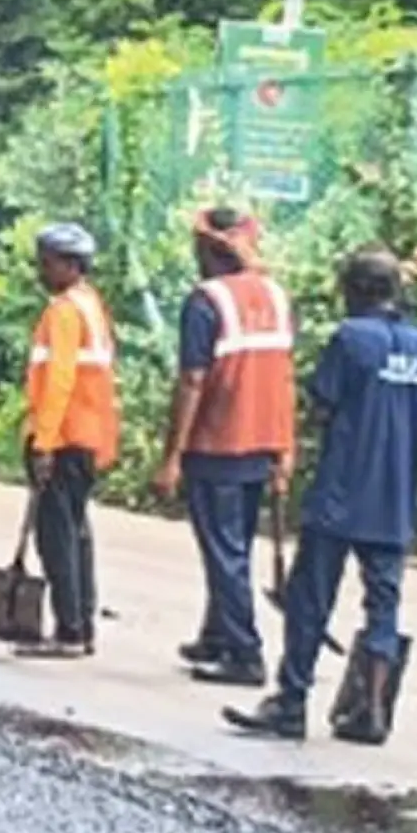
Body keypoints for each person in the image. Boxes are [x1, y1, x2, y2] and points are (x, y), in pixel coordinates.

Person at [224, 246, 417, 744]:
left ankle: (291, 702)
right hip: (394, 503)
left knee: (310, 600)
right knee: (383, 605)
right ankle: (371, 711)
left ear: (355, 291)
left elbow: (322, 407)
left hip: (340, 496)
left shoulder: (350, 340)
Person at [151, 206, 297, 686]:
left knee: (223, 550)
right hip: (262, 441)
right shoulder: (276, 296)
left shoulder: (205, 302)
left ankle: (243, 652)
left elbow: (192, 381)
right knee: (232, 545)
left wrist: (172, 455)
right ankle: (215, 635)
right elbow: (284, 375)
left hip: (217, 443)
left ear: (211, 250)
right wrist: (285, 447)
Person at [16, 223, 121, 658]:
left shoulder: (63, 311)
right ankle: (82, 622)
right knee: (76, 531)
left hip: (64, 436)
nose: (41, 269)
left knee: (56, 535)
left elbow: (59, 381)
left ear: (71, 264)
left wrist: (44, 443)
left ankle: (69, 631)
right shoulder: (92, 305)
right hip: (89, 435)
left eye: (48, 261)